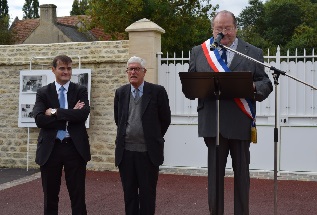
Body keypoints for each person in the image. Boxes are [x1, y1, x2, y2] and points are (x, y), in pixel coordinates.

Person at [188, 10, 273, 215]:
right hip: (213, 123)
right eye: (219, 28)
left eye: (227, 28)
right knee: (215, 178)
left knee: (242, 176)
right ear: (213, 29)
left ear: (235, 28)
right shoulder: (200, 52)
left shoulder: (252, 52)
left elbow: (265, 83)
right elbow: (191, 81)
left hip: (240, 121)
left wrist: (252, 87)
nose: (223, 32)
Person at [33, 55, 91, 215]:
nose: (66, 72)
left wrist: (55, 111)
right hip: (51, 150)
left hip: (74, 148)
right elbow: (39, 119)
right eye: (62, 68)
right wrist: (70, 114)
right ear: (53, 70)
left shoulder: (80, 90)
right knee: (50, 197)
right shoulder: (43, 92)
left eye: (69, 68)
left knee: (78, 196)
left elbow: (83, 115)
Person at [114, 56, 171, 215]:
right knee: (129, 195)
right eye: (130, 69)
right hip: (126, 153)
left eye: (136, 69)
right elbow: (118, 119)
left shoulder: (157, 92)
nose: (133, 72)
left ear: (144, 72)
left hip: (148, 153)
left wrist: (153, 138)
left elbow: (165, 119)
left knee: (147, 195)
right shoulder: (121, 93)